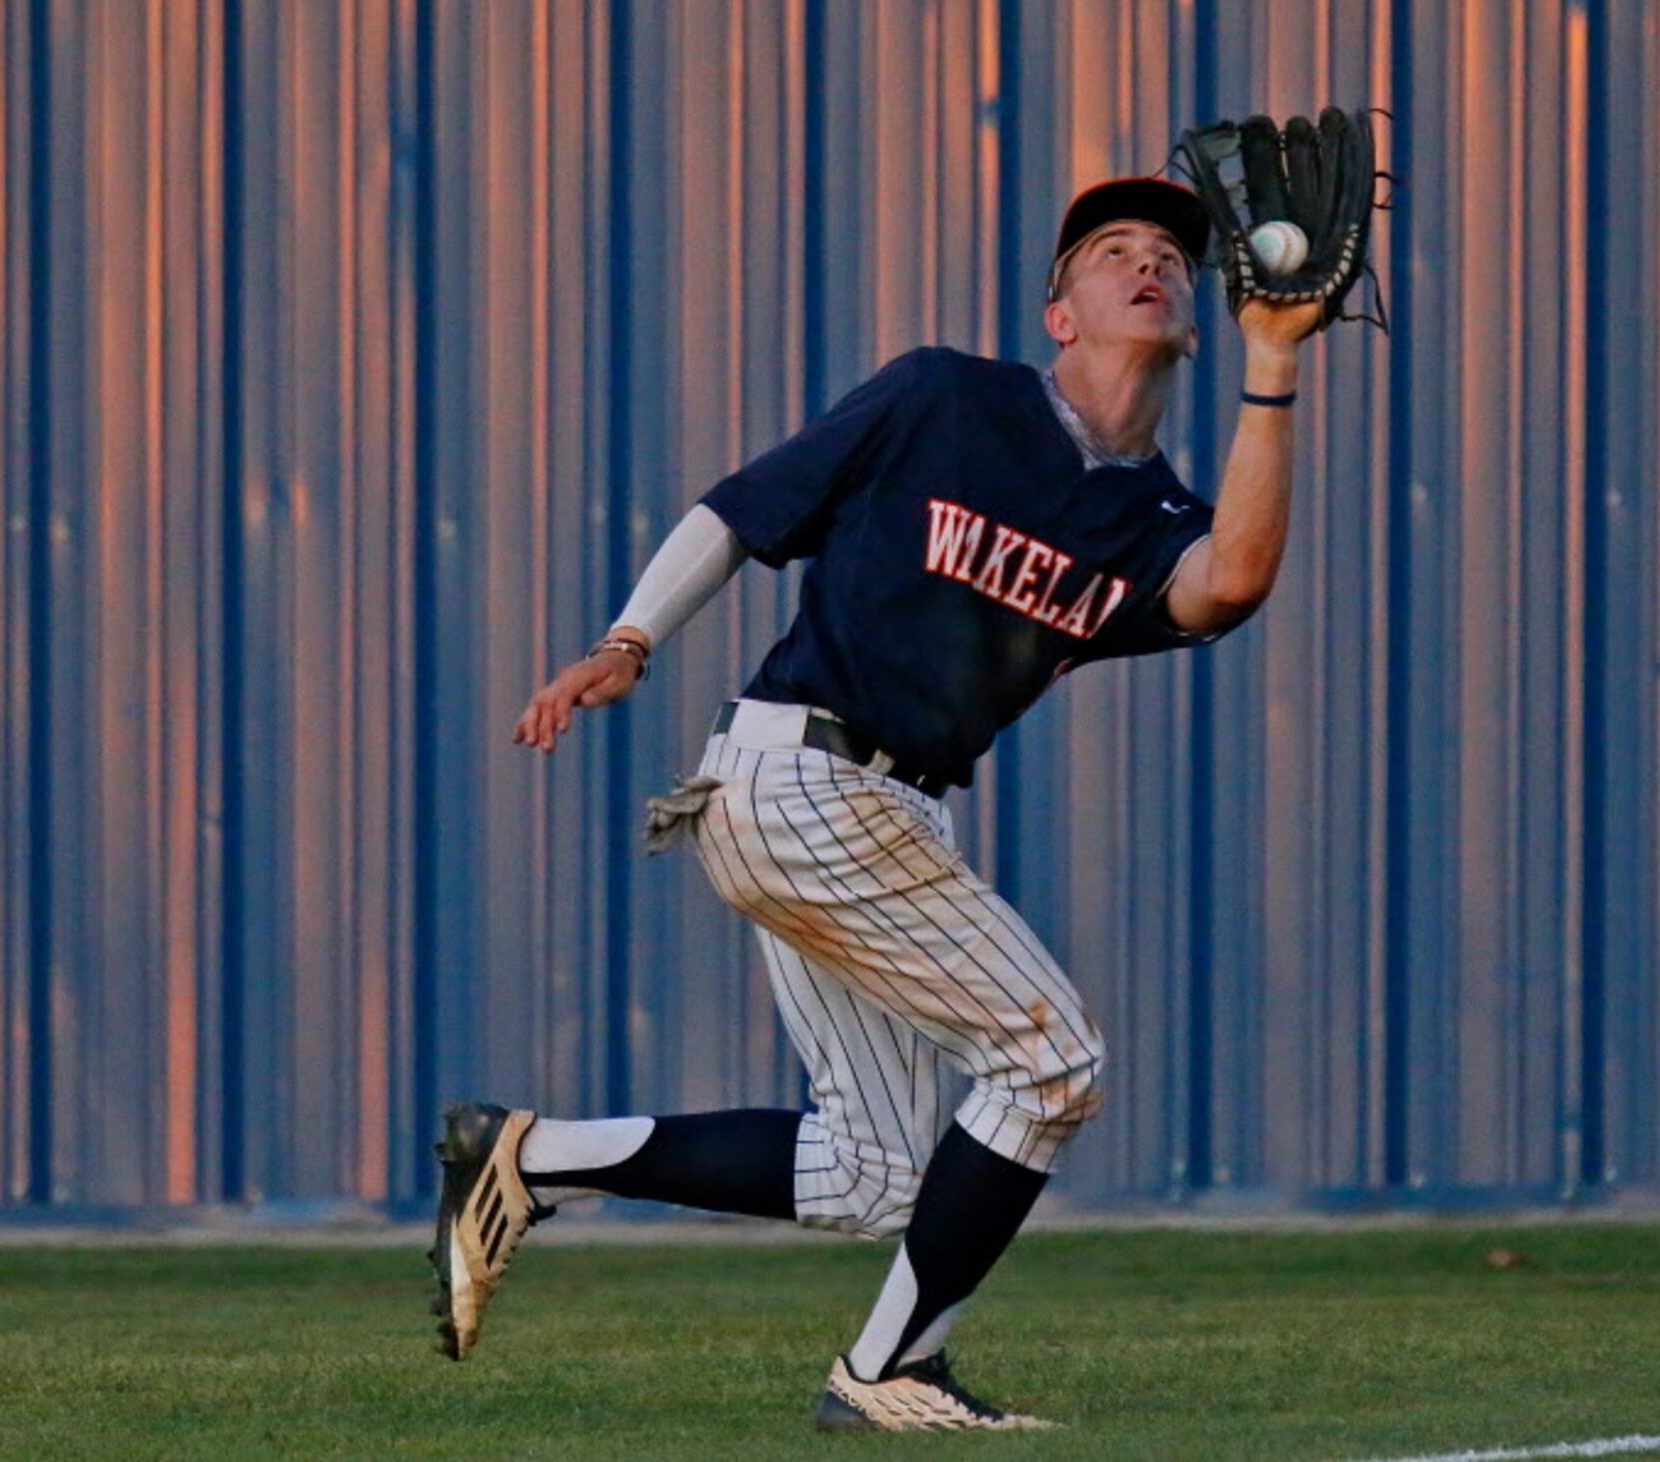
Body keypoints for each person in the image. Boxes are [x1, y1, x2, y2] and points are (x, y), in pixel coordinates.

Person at [434, 175, 1324, 1431]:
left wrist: (1275, 364)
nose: (1149, 265)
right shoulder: (945, 395)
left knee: (873, 1170)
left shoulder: (1152, 516)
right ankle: (889, 1373)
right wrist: (627, 639)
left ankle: (526, 1158)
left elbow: (1228, 584)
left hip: (876, 815)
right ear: (1058, 313)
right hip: (799, 777)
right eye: (1111, 250)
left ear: (1193, 313)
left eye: (1173, 258)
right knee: (1050, 1061)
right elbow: (745, 510)